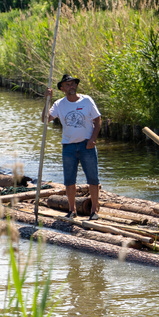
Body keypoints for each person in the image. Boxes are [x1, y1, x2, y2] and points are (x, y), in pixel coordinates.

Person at [41, 73, 102, 220]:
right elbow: (45, 120)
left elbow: (98, 120)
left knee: (93, 179)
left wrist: (93, 139)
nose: (72, 86)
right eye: (68, 84)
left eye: (73, 83)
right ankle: (72, 210)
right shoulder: (59, 104)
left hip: (86, 145)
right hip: (68, 146)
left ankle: (94, 211)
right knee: (69, 180)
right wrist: (47, 100)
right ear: (62, 88)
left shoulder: (87, 100)